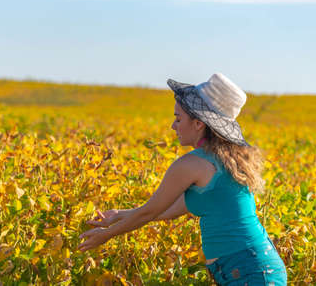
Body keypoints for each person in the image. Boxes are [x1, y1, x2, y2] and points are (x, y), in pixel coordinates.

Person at [78, 73, 287, 285]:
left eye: (178, 119)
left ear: (198, 124)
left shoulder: (191, 164)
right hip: (255, 267)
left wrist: (107, 235)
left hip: (249, 271)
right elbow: (167, 210)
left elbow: (150, 211)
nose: (173, 126)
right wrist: (118, 216)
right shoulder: (225, 160)